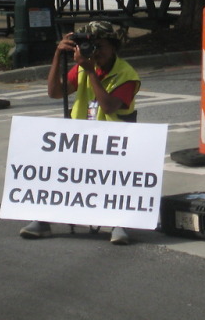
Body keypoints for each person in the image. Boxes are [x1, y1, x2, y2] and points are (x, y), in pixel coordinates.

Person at [19, 21, 141, 245]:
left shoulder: (126, 74)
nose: (95, 52)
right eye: (91, 46)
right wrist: (58, 54)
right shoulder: (84, 67)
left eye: (101, 46)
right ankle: (43, 220)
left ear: (114, 47)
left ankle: (120, 222)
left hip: (115, 142)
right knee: (54, 167)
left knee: (117, 179)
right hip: (82, 138)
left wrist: (89, 70)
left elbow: (109, 107)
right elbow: (55, 92)